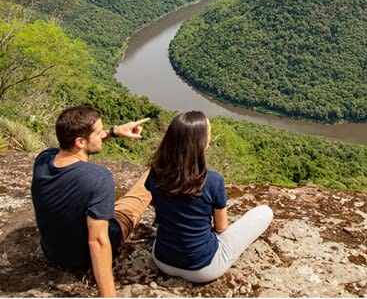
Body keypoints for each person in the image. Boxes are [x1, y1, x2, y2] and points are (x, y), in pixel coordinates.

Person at [31, 105, 152, 297]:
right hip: (81, 258)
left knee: (100, 207)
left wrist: (114, 132)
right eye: (99, 133)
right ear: (80, 142)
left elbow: (82, 144)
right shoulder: (98, 178)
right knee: (140, 191)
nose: (103, 135)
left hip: (51, 251)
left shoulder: (43, 159)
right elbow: (98, 241)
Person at [146, 110, 273, 283]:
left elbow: (160, 209)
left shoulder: (155, 174)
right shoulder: (212, 180)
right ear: (201, 142)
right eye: (209, 134)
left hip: (162, 259)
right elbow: (221, 228)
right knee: (265, 212)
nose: (210, 138)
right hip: (203, 268)